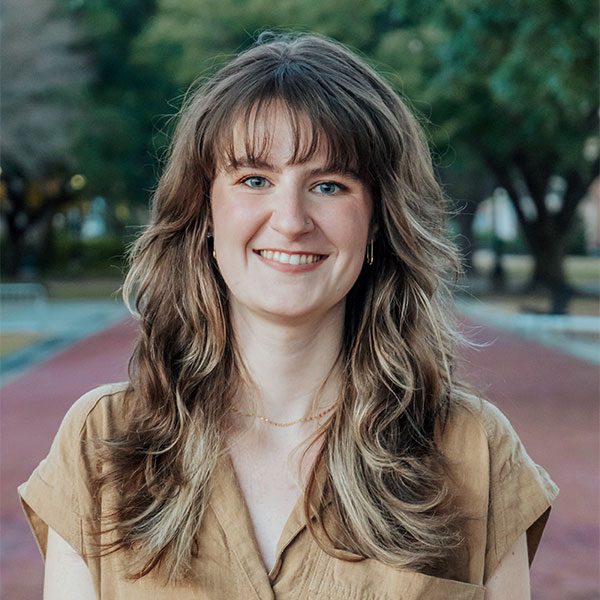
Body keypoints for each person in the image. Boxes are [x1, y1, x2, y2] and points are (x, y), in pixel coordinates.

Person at [19, 33, 558, 599]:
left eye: (329, 185)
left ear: (376, 223)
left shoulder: (472, 447)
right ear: (204, 211)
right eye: (255, 180)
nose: (291, 219)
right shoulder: (102, 442)